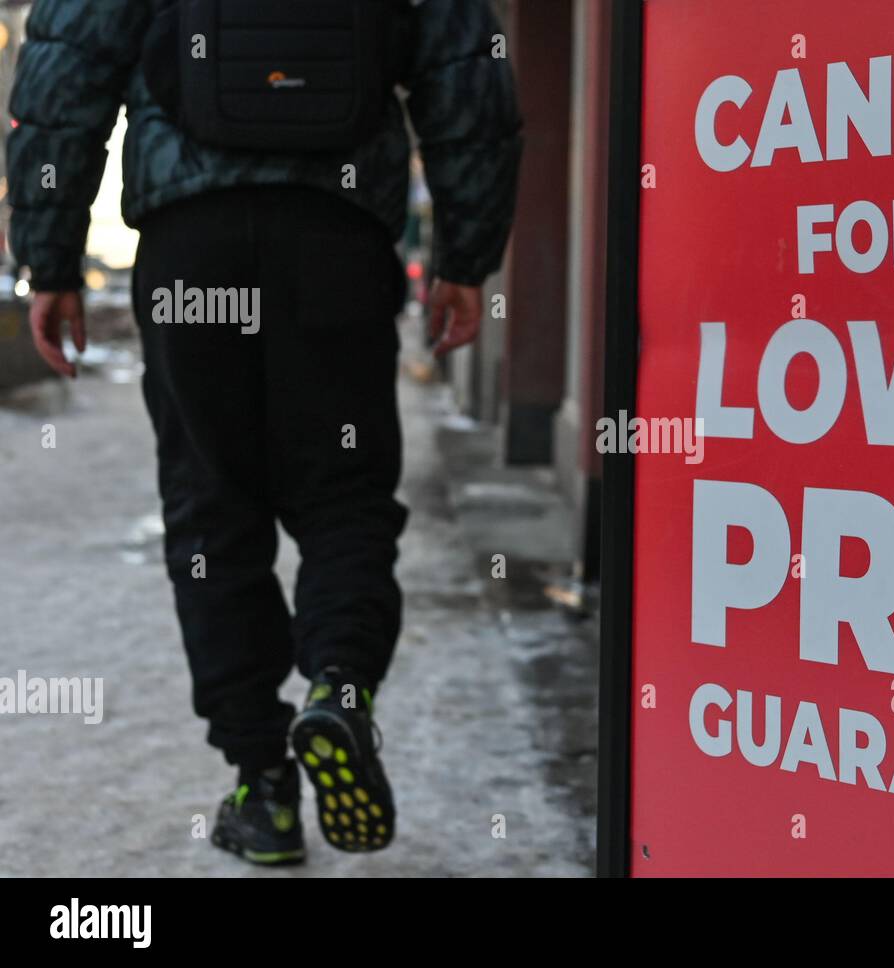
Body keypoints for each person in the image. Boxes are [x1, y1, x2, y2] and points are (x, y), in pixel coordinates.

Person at [6, 0, 522, 865]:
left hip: (189, 245)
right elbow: (468, 73)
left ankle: (263, 785)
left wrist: (49, 257)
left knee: (211, 513)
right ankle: (340, 687)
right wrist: (468, 257)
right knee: (346, 498)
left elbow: (64, 76)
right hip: (338, 238)